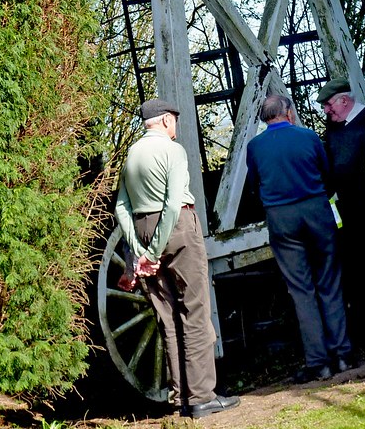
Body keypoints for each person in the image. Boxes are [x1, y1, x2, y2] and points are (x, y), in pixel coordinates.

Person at [115, 98, 240, 419]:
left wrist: (141, 250)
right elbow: (172, 204)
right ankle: (201, 397)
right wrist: (154, 251)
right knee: (194, 311)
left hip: (142, 229)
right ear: (167, 120)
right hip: (178, 228)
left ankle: (180, 398)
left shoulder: (132, 155)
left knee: (167, 318)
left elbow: (121, 208)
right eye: (175, 121)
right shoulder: (173, 151)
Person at [246, 94, 352, 382]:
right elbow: (327, 174)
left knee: (301, 290)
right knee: (329, 283)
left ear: (264, 118)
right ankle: (342, 355)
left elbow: (254, 186)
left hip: (281, 217)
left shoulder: (255, 146)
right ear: (289, 113)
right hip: (316, 210)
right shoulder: (308, 137)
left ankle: (318, 363)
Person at [318, 77, 365, 350]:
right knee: (359, 273)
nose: (326, 111)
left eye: (329, 104)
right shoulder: (333, 127)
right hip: (349, 212)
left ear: (344, 100)